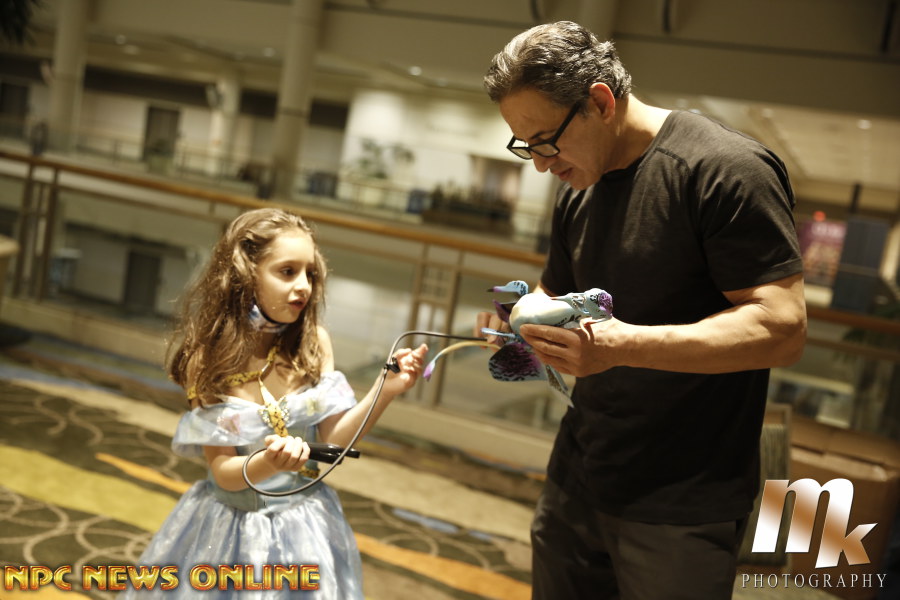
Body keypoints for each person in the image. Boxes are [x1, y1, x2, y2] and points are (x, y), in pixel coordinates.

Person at [479, 21, 807, 599]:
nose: (540, 164)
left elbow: (781, 327)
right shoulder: (578, 187)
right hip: (579, 471)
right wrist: (520, 322)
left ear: (600, 102)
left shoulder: (723, 170)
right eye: (524, 145)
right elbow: (555, 294)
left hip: (683, 497)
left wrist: (622, 345)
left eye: (545, 141)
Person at [122, 207, 427, 599]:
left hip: (306, 528)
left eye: (310, 273)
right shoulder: (208, 358)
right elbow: (223, 473)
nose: (303, 286)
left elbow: (335, 440)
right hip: (230, 533)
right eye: (287, 271)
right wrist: (270, 462)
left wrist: (386, 389)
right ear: (246, 274)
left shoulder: (313, 343)